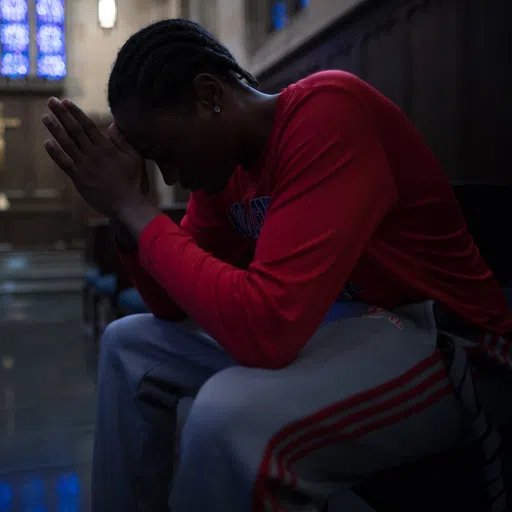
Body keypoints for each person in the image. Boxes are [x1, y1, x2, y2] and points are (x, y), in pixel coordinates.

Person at [41, 18, 512, 512]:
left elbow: (265, 330)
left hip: (451, 344)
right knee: (127, 345)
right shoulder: (225, 173)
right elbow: (170, 307)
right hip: (353, 329)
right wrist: (124, 212)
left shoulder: (327, 110)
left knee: (229, 417)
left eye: (168, 154)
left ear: (209, 97)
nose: (173, 175)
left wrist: (135, 209)